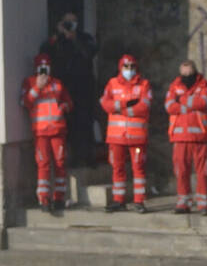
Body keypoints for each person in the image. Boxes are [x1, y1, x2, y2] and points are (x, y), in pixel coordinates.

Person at [40, 12, 98, 168]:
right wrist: (58, 35)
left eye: (73, 22)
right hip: (66, 86)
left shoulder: (84, 38)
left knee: (85, 120)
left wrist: (74, 39)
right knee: (68, 122)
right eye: (67, 23)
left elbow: (90, 53)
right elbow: (44, 51)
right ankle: (71, 157)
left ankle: (87, 156)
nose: (70, 26)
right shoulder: (57, 40)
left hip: (84, 86)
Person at [21, 54, 73, 214]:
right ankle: (44, 199)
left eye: (46, 67)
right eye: (41, 67)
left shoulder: (57, 84)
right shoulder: (29, 82)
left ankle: (59, 198)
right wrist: (37, 87)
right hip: (41, 132)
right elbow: (24, 102)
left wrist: (63, 107)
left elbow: (69, 103)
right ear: (36, 68)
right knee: (43, 165)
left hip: (57, 130)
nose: (44, 71)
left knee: (59, 163)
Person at [100, 54, 152, 213]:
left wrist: (126, 110)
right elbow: (104, 103)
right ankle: (118, 200)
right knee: (117, 167)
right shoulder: (112, 83)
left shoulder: (144, 84)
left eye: (132, 67)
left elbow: (145, 105)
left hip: (137, 137)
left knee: (138, 168)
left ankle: (139, 201)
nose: (129, 70)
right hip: (116, 137)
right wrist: (123, 104)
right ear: (120, 68)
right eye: (126, 67)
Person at [165, 61, 207, 215]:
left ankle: (203, 204)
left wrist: (182, 101)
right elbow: (169, 106)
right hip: (180, 137)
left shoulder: (205, 85)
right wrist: (189, 104)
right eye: (183, 73)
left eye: (189, 73)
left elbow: (204, 102)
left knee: (203, 172)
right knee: (181, 171)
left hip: (200, 136)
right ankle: (183, 202)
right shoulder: (174, 85)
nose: (186, 76)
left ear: (195, 72)